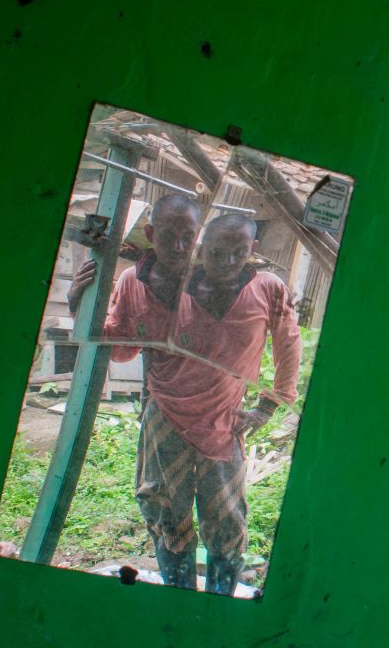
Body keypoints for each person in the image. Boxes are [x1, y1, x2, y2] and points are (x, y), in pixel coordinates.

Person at [130, 212, 301, 595]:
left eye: (239, 253)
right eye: (218, 252)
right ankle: (179, 603)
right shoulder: (175, 281)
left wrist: (267, 406)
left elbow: (289, 347)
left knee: (226, 520)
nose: (227, 262)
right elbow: (128, 329)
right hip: (166, 416)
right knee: (163, 511)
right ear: (201, 247)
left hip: (225, 423)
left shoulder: (268, 288)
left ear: (253, 250)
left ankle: (216, 606)